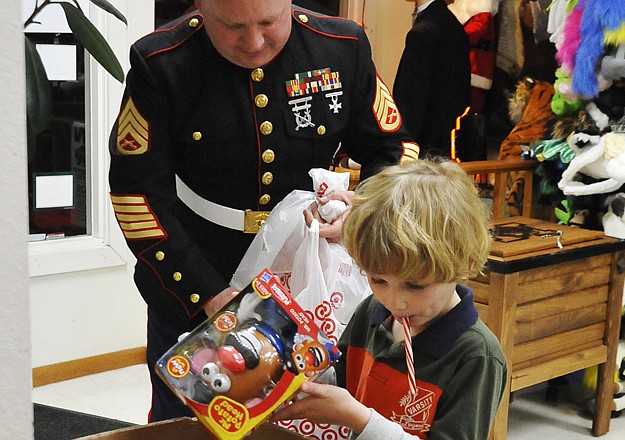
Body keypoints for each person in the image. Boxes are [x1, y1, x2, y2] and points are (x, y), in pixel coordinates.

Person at [108, 0, 419, 422]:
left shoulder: (341, 47)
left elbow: (395, 149)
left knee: (310, 416)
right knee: (188, 421)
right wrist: (210, 295)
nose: (254, 42)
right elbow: (137, 193)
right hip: (200, 266)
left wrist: (363, 210)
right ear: (200, 6)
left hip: (311, 274)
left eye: (270, 22)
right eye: (233, 26)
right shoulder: (163, 62)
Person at [273, 159, 508, 439]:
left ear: (464, 264)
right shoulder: (372, 311)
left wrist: (360, 419)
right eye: (377, 280)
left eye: (416, 285)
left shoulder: (476, 355)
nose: (396, 302)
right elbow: (338, 380)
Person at [393, 0, 472, 159]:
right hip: (445, 148)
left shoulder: (424, 32)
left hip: (422, 152)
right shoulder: (452, 25)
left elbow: (410, 103)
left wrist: (399, 150)